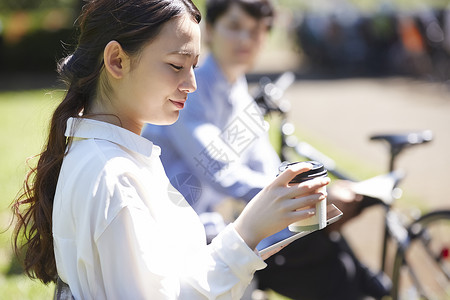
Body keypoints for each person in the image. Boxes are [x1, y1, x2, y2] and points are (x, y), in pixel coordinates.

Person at [11, 0, 330, 299]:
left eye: (193, 65)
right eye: (176, 65)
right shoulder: (114, 177)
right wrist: (246, 231)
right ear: (117, 61)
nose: (191, 83)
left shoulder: (112, 156)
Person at [142, 0, 391, 299]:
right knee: (333, 269)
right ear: (208, 31)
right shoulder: (189, 91)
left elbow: (267, 169)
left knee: (332, 251)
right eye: (235, 27)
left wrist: (311, 193)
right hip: (187, 234)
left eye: (257, 31)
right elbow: (220, 172)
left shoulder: (241, 96)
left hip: (227, 228)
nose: (246, 39)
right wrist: (302, 196)